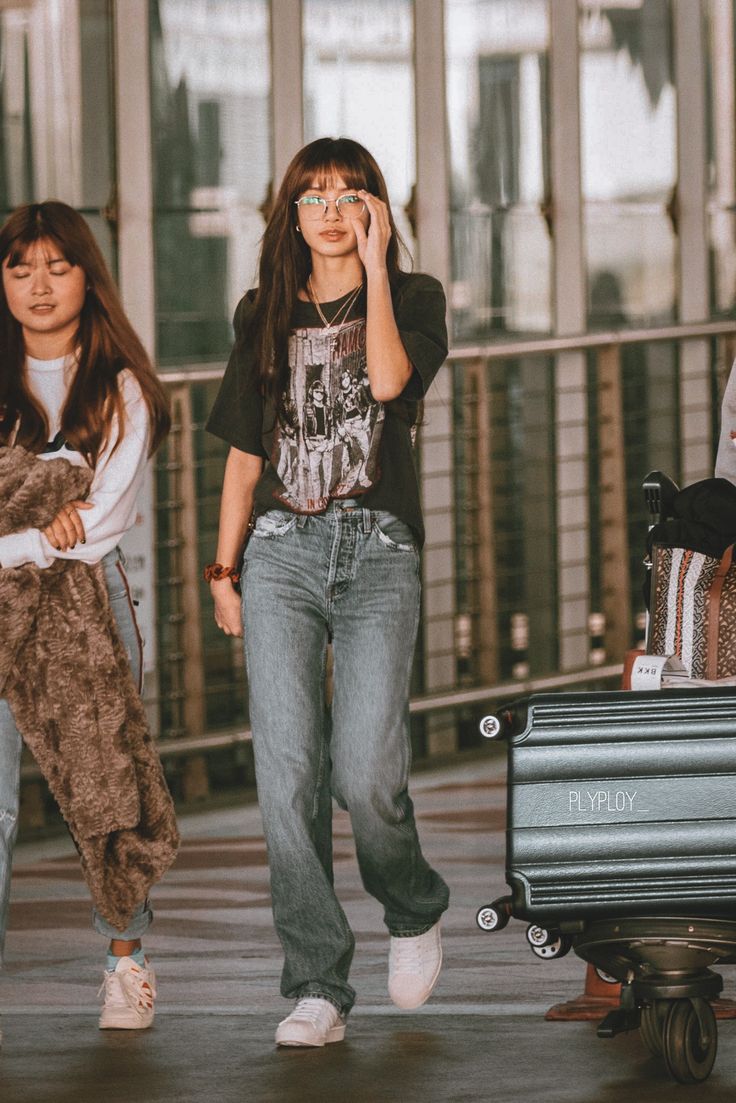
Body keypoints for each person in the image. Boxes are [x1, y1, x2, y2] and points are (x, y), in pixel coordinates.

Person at [206, 136, 450, 1047]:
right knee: (289, 774)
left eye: (353, 194)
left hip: (379, 551)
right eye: (315, 195)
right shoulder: (260, 313)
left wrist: (379, 267)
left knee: (366, 769)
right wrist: (224, 570)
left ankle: (413, 901)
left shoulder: (415, 299)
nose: (334, 210)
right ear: (292, 214)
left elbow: (388, 380)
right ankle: (315, 980)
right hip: (281, 552)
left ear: (376, 210)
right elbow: (242, 456)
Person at [0, 201, 175, 1033]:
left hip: (86, 607)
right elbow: (61, 525)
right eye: (19, 267)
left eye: (56, 266)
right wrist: (39, 532)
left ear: (87, 275)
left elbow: (102, 523)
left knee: (108, 786)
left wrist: (18, 530)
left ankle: (126, 961)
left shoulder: (119, 387)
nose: (37, 285)